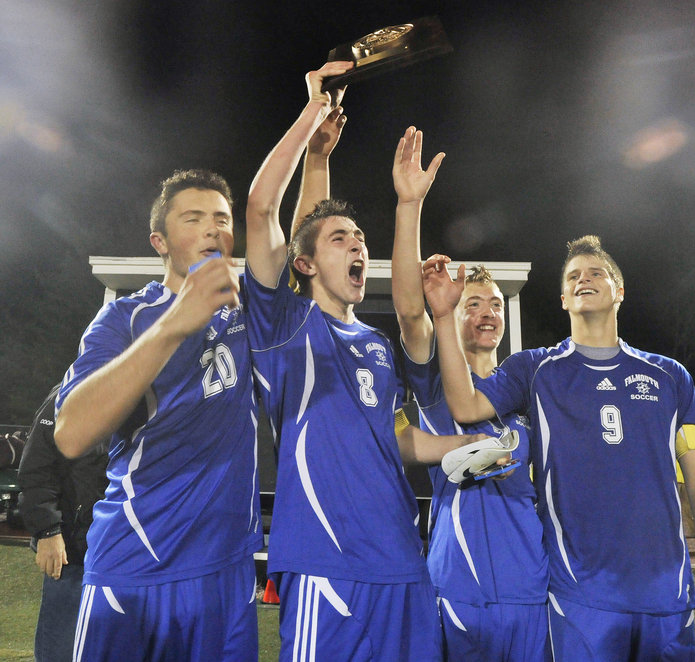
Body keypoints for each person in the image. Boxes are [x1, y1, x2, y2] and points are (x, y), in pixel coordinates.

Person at [242, 62, 494, 661]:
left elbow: (392, 438)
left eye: (361, 238)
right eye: (341, 239)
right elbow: (261, 209)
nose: (358, 244)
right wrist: (311, 120)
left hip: (403, 561)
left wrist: (464, 446)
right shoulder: (285, 329)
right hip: (327, 562)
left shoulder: (378, 348)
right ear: (304, 265)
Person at [423, 235, 695, 659]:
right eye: (573, 276)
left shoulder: (669, 376)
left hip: (667, 595)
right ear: (562, 298)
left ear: (620, 291)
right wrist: (444, 317)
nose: (584, 279)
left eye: (597, 273)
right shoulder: (534, 370)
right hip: (578, 597)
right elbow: (464, 405)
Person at [53, 169, 263, 661]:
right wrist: (174, 323)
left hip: (225, 569)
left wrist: (315, 148)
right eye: (194, 218)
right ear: (160, 242)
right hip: (134, 565)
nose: (213, 229)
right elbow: (71, 433)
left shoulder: (250, 312)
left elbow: (290, 233)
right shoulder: (126, 317)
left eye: (222, 219)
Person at [391, 126, 550, 660]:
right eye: (473, 304)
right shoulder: (434, 382)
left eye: (495, 305)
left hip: (529, 586)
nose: (487, 313)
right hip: (454, 585)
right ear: (453, 313)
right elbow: (410, 314)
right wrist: (409, 205)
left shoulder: (528, 388)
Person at [17, 384, 108, 662]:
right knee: (61, 647)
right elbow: (36, 467)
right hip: (73, 549)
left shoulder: (145, 389)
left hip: (118, 548)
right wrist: (47, 531)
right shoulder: (69, 391)